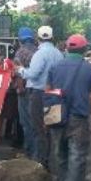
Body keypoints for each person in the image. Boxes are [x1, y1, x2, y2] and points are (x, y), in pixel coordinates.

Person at [48, 34, 91, 181]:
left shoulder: (55, 67)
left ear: (67, 49)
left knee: (61, 157)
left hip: (56, 116)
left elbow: (48, 92)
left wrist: (46, 116)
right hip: (78, 119)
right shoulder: (90, 70)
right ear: (84, 50)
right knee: (77, 160)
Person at [15, 26, 64, 165]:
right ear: (52, 37)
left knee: (36, 127)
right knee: (48, 127)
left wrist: (20, 70)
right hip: (54, 93)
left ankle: (37, 159)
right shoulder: (59, 54)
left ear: (38, 38)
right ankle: (45, 159)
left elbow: (33, 74)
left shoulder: (40, 53)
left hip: (38, 93)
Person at [13, 27, 38, 158]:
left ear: (20, 39)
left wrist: (19, 87)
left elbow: (18, 72)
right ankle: (37, 153)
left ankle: (29, 152)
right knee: (36, 122)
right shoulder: (38, 51)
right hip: (38, 91)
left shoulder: (20, 52)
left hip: (25, 91)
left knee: (26, 123)